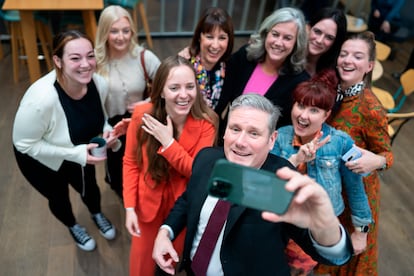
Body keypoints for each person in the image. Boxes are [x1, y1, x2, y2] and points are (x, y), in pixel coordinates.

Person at [152, 93, 353, 276]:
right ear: (225, 132)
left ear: (272, 140)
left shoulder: (283, 180)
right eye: (235, 129)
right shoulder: (206, 159)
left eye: (254, 133)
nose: (240, 141)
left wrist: (325, 224)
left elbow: (333, 256)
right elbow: (188, 200)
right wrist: (165, 232)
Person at [12, 30, 117, 252]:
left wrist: (106, 129)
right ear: (57, 61)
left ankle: (96, 213)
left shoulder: (99, 84)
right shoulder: (40, 100)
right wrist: (75, 154)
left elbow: (103, 115)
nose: (86, 64)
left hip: (79, 149)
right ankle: (72, 225)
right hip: (39, 159)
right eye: (75, 58)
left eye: (90, 56)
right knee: (58, 196)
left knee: (89, 186)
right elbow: (24, 144)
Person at [122, 55, 219, 276]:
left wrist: (168, 142)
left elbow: (197, 173)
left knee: (169, 266)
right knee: (141, 267)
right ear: (161, 91)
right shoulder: (141, 115)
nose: (184, 95)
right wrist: (129, 207)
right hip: (147, 206)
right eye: (174, 87)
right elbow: (130, 162)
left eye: (190, 87)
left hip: (181, 210)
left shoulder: (207, 123)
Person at [271, 70, 373, 275]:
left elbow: (355, 188)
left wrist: (361, 231)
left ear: (326, 115)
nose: (303, 115)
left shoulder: (341, 142)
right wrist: (297, 159)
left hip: (315, 228)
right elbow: (268, 184)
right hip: (279, 224)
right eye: (300, 105)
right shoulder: (280, 136)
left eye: (314, 110)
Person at [314, 31, 394, 276]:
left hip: (356, 198)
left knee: (348, 261)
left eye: (357, 57)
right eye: (344, 54)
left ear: (369, 66)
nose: (348, 60)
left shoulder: (370, 108)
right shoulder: (331, 91)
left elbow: (387, 155)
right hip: (328, 188)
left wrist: (377, 160)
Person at [95, 5, 161, 198]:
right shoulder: (96, 60)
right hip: (112, 126)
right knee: (116, 168)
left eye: (125, 31)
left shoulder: (143, 56)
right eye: (114, 31)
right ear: (104, 32)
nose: (121, 37)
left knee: (142, 163)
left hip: (140, 122)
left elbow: (167, 83)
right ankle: (123, 196)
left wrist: (148, 102)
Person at [214, 7, 309, 136]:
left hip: (263, 152)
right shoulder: (245, 56)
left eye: (287, 38)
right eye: (275, 34)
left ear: (296, 43)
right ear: (266, 34)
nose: (278, 42)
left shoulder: (300, 81)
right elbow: (220, 98)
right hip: (226, 138)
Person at [178, 7, 234, 109]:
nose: (215, 45)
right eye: (209, 37)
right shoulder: (184, 65)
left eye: (222, 38)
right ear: (199, 37)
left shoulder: (231, 67)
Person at [305, 7, 347, 77]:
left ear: (335, 43)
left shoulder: (333, 73)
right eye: (317, 32)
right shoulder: (288, 56)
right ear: (308, 28)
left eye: (329, 37)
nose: (319, 40)